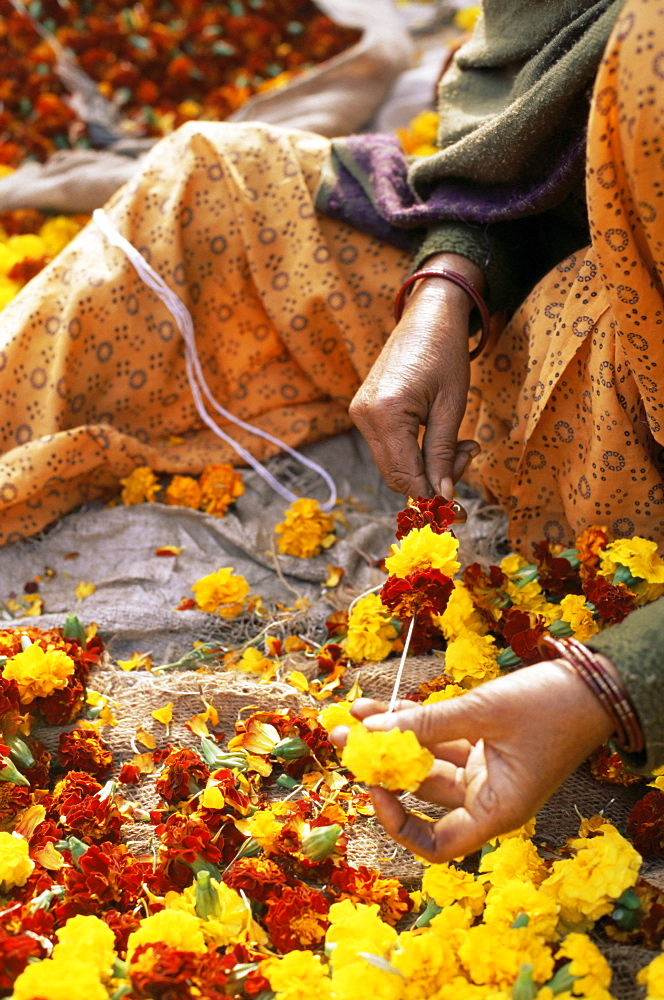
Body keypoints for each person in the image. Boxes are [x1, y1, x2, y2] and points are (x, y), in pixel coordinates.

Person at [0, 0, 662, 850]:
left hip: (633, 450)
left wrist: (618, 685)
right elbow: (525, 74)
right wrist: (452, 281)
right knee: (209, 187)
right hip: (569, 269)